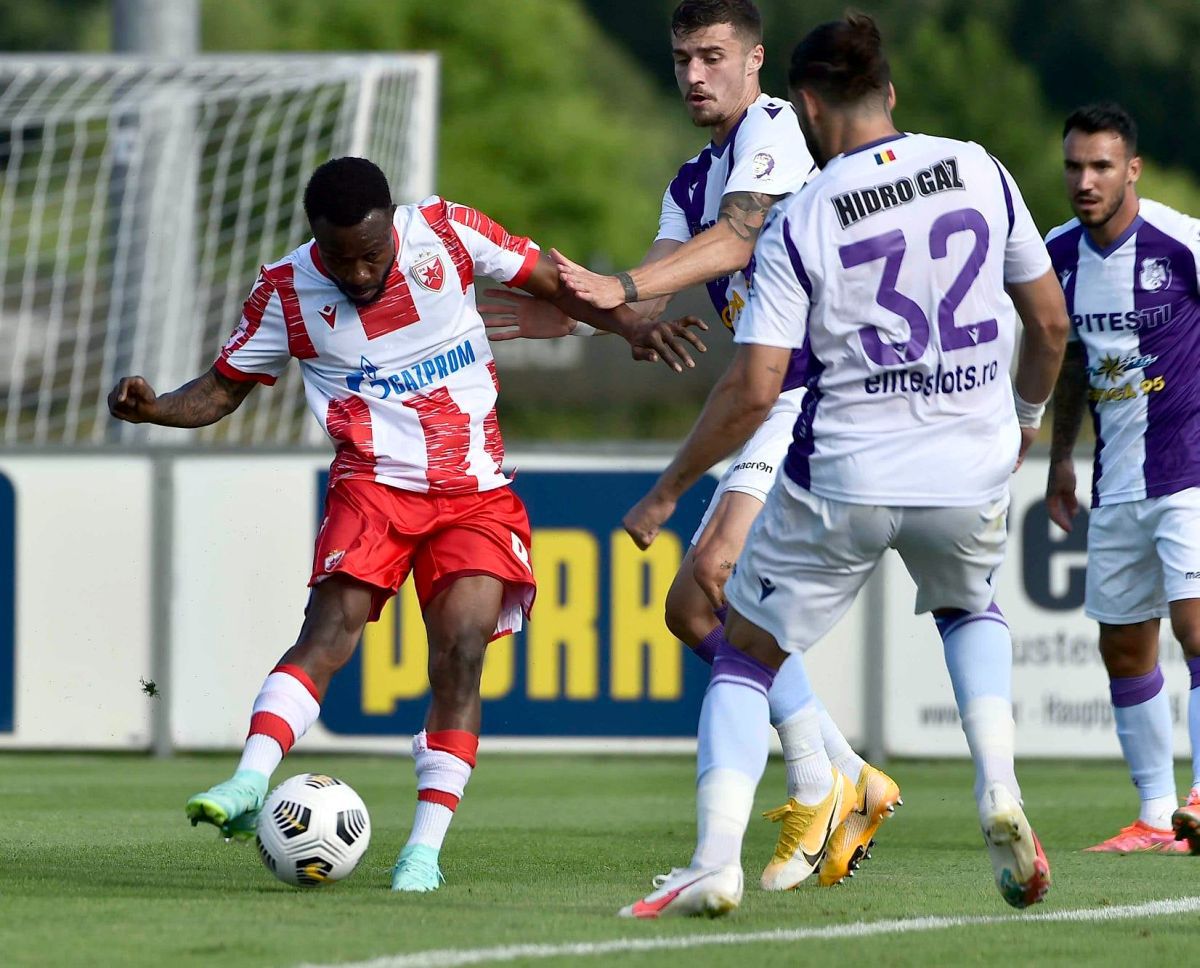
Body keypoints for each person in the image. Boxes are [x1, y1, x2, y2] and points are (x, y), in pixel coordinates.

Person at [108, 157, 702, 893]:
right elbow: (221, 390)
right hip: (373, 486)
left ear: (394, 222)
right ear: (314, 240)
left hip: (475, 494)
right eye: (339, 257)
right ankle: (248, 781)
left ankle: (422, 852)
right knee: (328, 633)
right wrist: (155, 407)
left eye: (371, 253)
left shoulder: (449, 233)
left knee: (459, 654)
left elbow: (555, 283)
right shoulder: (286, 291)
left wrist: (631, 328)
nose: (357, 273)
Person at [616, 13, 1069, 918]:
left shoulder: (803, 213)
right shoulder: (981, 166)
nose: (694, 74)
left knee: (736, 640)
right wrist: (1025, 419)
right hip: (970, 466)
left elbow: (755, 386)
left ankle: (739, 841)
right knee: (965, 607)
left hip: (846, 461)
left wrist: (666, 489)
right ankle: (993, 788)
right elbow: (1051, 323)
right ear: (891, 93)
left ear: (808, 105)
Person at [483, 0, 899, 891]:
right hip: (776, 398)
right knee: (693, 610)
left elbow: (736, 238)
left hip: (826, 393)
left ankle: (818, 785)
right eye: (681, 59)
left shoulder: (780, 131)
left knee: (711, 578)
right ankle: (846, 776)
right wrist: (566, 314)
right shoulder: (689, 178)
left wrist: (620, 287)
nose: (694, 75)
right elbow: (643, 297)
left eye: (713, 56)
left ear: (754, 63)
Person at [1044, 103, 1200, 854]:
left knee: (1196, 628)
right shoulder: (1058, 255)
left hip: (1190, 471)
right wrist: (1059, 460)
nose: (1085, 179)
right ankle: (1156, 813)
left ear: (1131, 169)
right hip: (1116, 482)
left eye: (1101, 165)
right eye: (1074, 165)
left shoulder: (1183, 243)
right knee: (1124, 648)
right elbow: (1070, 360)